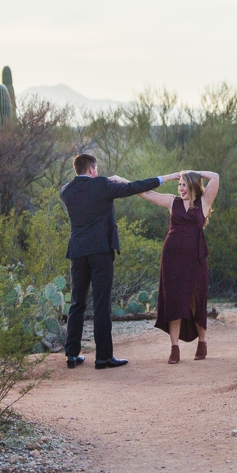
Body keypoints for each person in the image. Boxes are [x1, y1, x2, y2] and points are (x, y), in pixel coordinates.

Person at [60, 153, 174, 370]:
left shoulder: (66, 190)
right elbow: (134, 187)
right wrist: (165, 178)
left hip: (77, 252)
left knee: (77, 303)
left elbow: (80, 191)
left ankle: (72, 355)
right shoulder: (102, 185)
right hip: (100, 250)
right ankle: (103, 357)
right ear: (92, 169)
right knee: (102, 303)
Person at [134, 170, 220, 364]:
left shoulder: (204, 203)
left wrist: (194, 173)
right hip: (172, 257)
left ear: (192, 185)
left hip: (196, 258)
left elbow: (215, 177)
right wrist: (125, 182)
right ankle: (174, 348)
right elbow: (144, 193)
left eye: (183, 184)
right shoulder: (172, 202)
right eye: (179, 184)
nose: (180, 188)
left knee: (196, 299)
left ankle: (202, 342)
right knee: (174, 300)